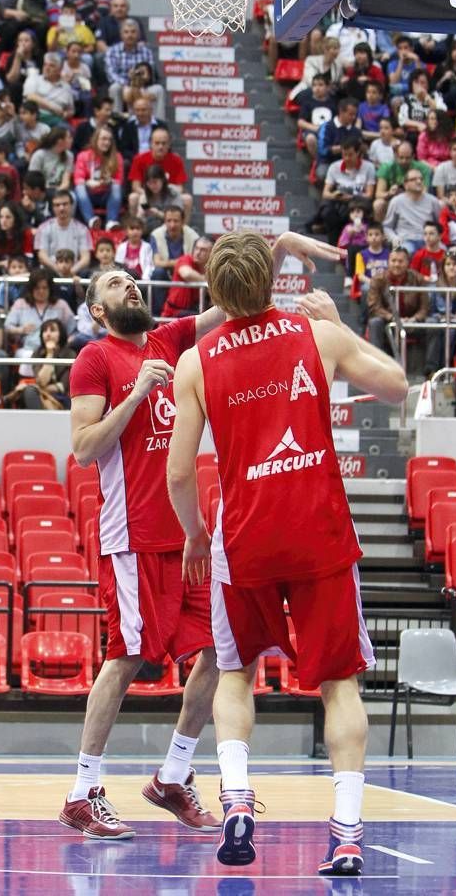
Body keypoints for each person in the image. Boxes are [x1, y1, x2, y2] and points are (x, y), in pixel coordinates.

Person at [58, 230, 347, 841]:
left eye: (131, 278)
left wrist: (282, 246)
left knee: (222, 654)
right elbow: (84, 449)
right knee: (126, 655)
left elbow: (233, 294)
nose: (129, 284)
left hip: (189, 537)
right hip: (134, 535)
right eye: (114, 283)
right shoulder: (96, 358)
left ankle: (173, 777)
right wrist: (138, 393)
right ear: (97, 311)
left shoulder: (169, 338)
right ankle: (82, 792)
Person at [165, 234, 407, 873]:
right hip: (318, 531)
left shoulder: (197, 360)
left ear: (215, 293)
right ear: (272, 285)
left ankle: (238, 801)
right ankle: (348, 834)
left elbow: (179, 475)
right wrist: (337, 323)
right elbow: (397, 387)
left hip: (245, 536)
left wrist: (194, 533)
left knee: (236, 671)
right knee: (339, 684)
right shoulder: (314, 335)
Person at [366, 246, 428, 355]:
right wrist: (393, 317)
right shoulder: (378, 279)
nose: (397, 264)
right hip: (388, 321)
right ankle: (377, 364)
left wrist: (414, 319)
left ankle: (431, 369)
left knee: (433, 324)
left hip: (411, 322)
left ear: (408, 263)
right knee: (375, 322)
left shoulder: (418, 279)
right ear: (388, 262)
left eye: (400, 261)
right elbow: (374, 307)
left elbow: (424, 308)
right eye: (393, 261)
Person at [5, 267, 75, 352]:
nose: (41, 291)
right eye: (37, 288)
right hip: (28, 350)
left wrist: (66, 342)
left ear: (50, 289)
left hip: (56, 351)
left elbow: (73, 330)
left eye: (45, 288)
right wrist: (21, 329)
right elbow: (7, 327)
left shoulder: (61, 305)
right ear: (31, 289)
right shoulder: (20, 304)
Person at [16, 318, 76, 410]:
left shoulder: (70, 354)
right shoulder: (37, 353)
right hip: (39, 395)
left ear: (61, 334)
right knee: (30, 393)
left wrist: (38, 388)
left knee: (31, 391)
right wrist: (50, 354)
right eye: (45, 331)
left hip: (62, 398)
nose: (48, 334)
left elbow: (63, 387)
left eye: (52, 330)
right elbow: (41, 381)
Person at [73, 126, 124, 230]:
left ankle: (111, 222)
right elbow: (78, 178)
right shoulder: (83, 156)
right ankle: (91, 220)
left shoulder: (117, 157)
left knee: (116, 186)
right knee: (79, 188)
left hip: (106, 194)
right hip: (89, 193)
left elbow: (119, 180)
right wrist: (88, 182)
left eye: (109, 140)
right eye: (103, 139)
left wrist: (110, 181)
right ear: (96, 140)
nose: (107, 142)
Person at [382, 169, 442, 255]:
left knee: (448, 253)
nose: (418, 181)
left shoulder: (433, 201)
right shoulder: (396, 201)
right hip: (405, 240)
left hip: (428, 239)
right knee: (406, 251)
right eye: (414, 179)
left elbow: (439, 225)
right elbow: (387, 226)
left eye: (421, 179)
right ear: (405, 184)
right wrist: (395, 239)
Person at [35, 190, 92, 273]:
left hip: (75, 272)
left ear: (72, 205)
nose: (61, 208)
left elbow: (86, 258)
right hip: (50, 272)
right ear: (53, 208)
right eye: (57, 205)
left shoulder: (82, 229)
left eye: (65, 204)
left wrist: (72, 271)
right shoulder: (43, 228)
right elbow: (42, 255)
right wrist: (57, 269)